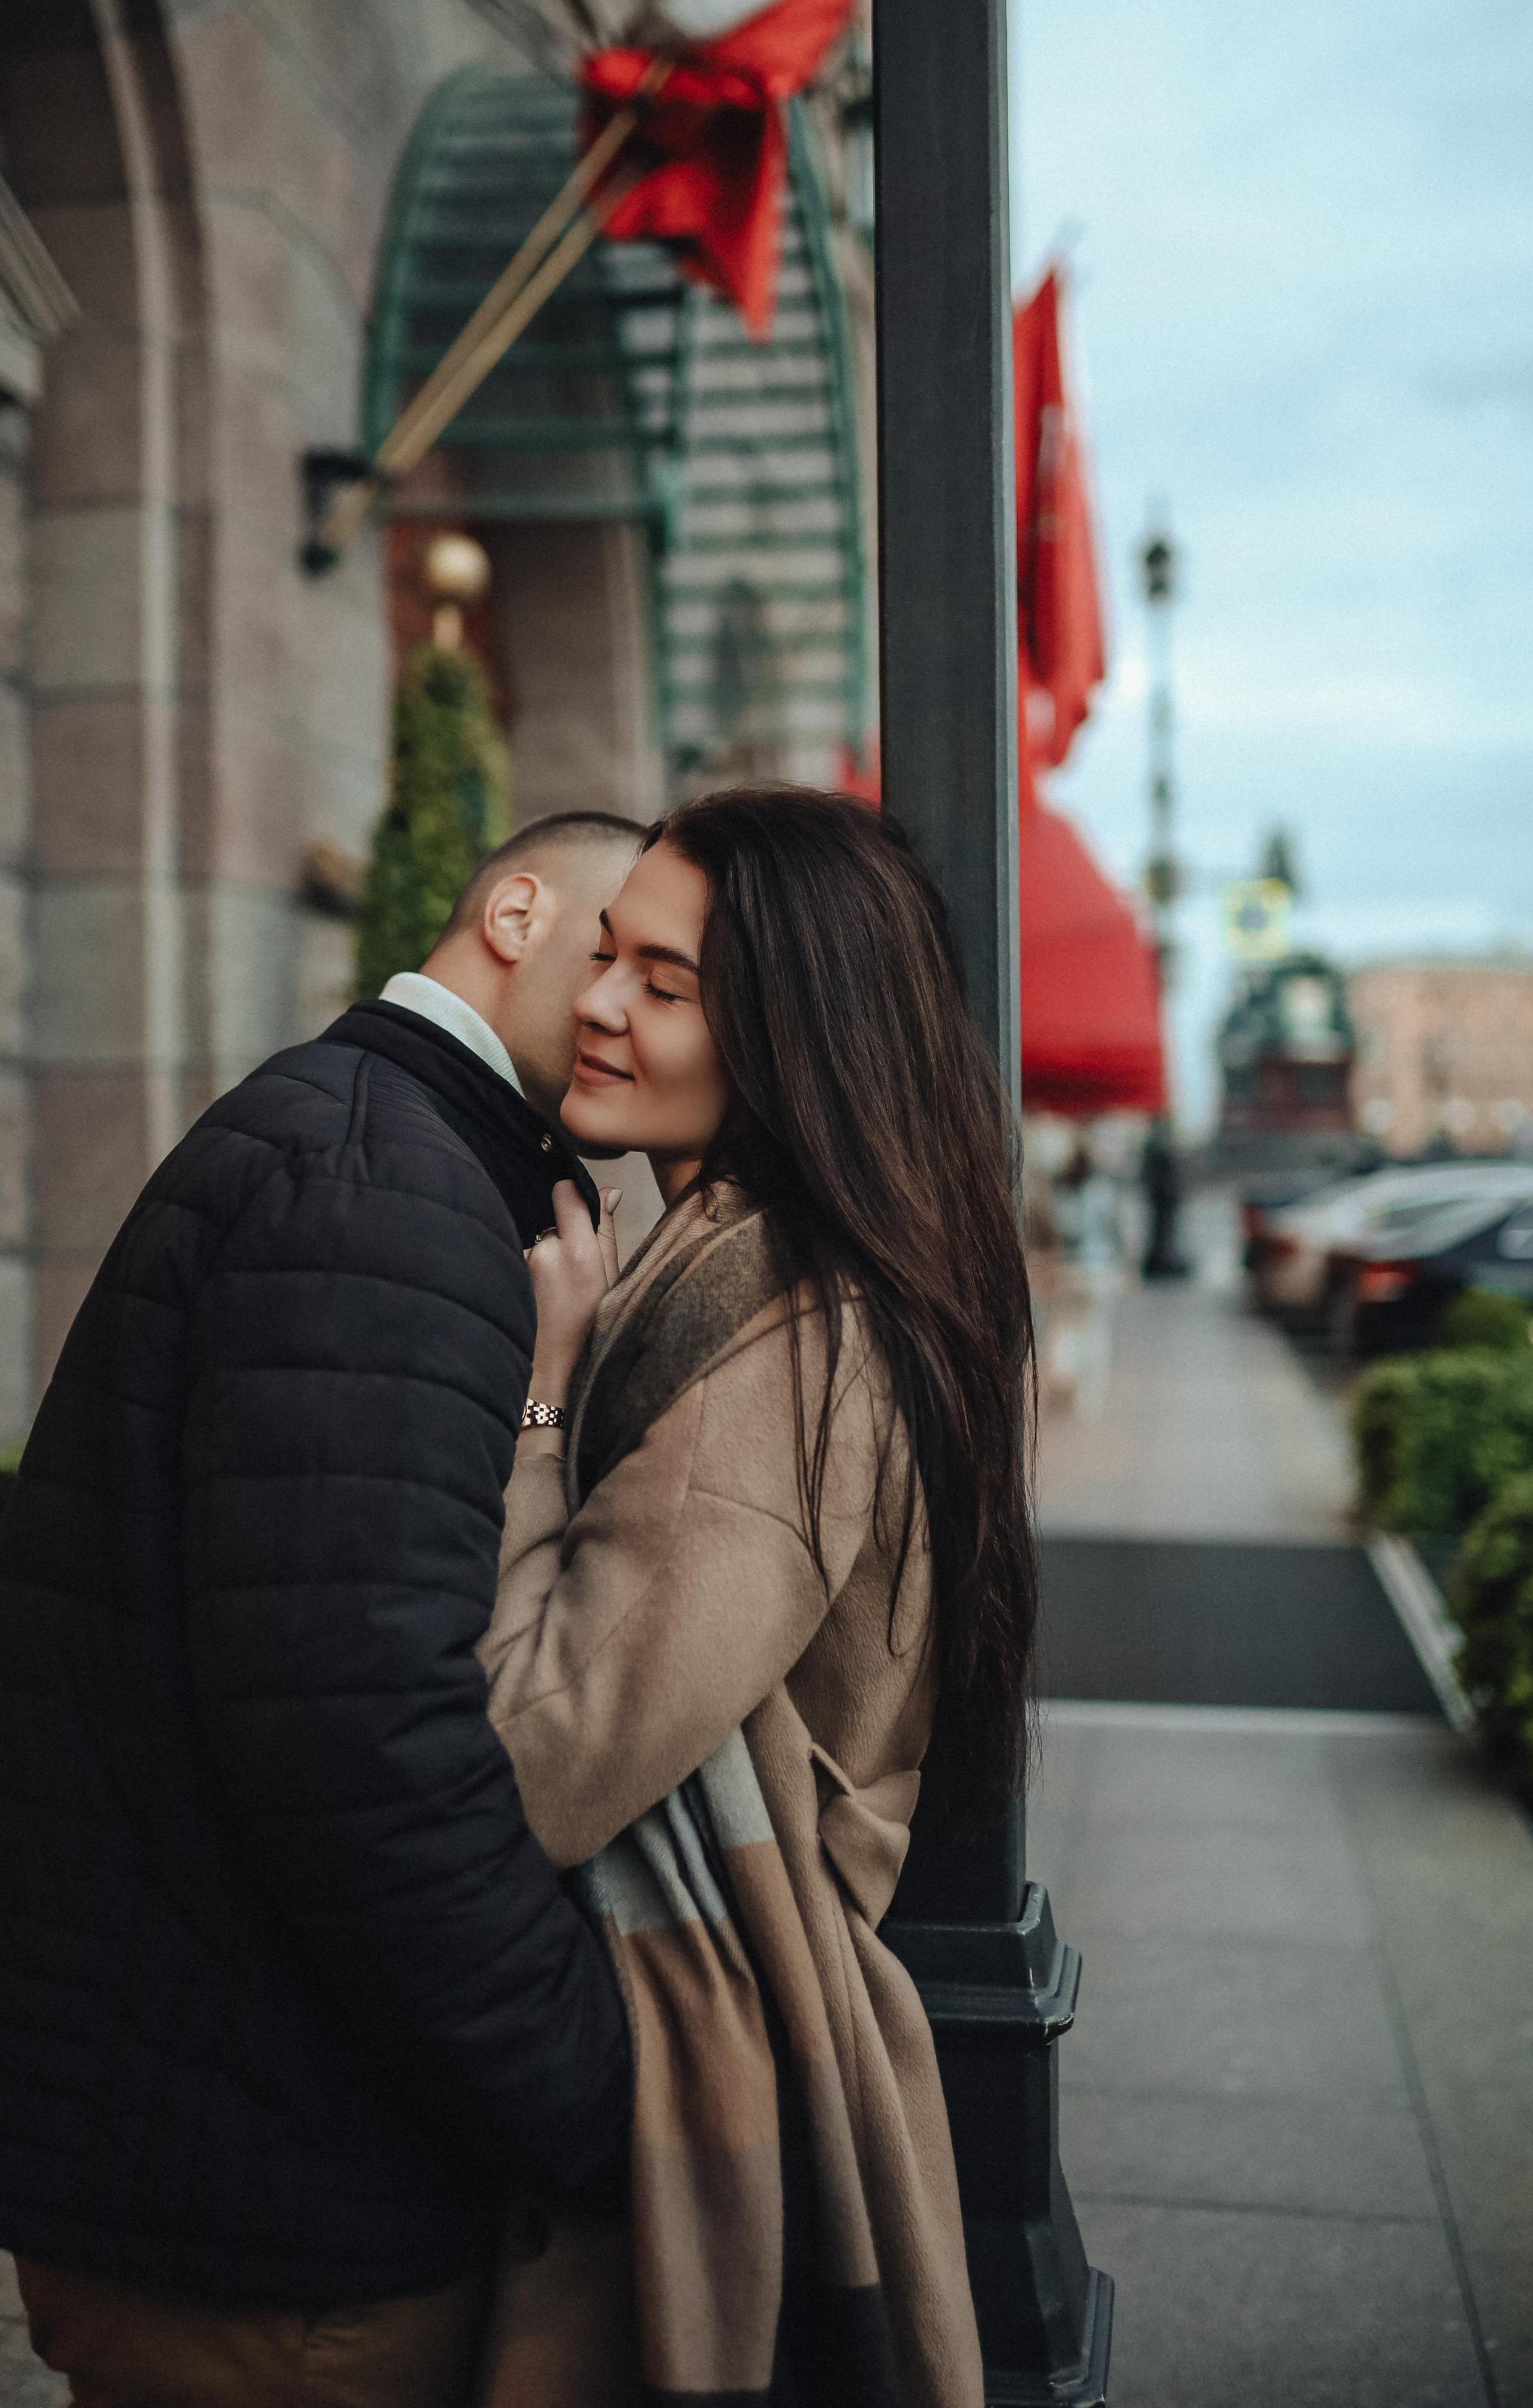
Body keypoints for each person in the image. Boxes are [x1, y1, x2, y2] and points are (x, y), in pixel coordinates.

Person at [0, 810, 644, 2408]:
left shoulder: (384, 1147)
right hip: (266, 2189)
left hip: (221, 2133)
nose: (632, 1009)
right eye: (616, 952)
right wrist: (589, 2085)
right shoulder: (386, 1187)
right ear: (515, 912)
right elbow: (359, 1734)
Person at [475, 786, 1039, 2408]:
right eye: (607, 955)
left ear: (793, 1034)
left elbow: (541, 1748)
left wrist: (536, 1398)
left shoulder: (782, 1344)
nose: (596, 1003)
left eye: (664, 985)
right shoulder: (768, 1266)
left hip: (705, 2020)